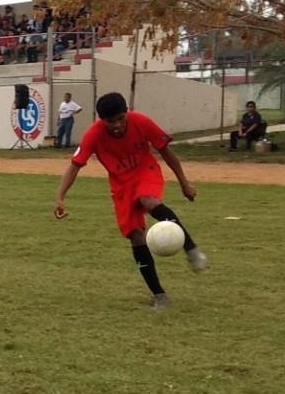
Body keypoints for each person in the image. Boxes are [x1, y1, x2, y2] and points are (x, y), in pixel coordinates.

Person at [53, 92, 208, 308]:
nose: (117, 125)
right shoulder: (93, 134)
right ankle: (159, 295)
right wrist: (60, 197)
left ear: (127, 113)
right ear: (102, 120)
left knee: (149, 201)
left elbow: (166, 151)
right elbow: (75, 166)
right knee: (136, 236)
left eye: (121, 118)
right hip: (121, 186)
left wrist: (184, 183)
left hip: (145, 171)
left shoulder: (141, 121)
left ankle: (191, 249)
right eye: (111, 121)